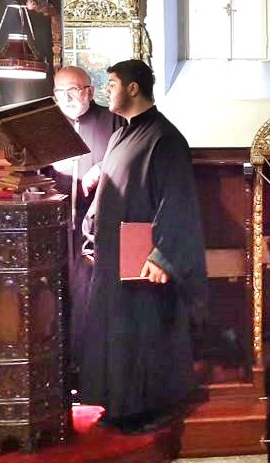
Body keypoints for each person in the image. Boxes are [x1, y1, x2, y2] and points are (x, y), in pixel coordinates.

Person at [77, 59, 208, 433]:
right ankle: (118, 405)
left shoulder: (165, 139)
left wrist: (162, 256)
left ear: (133, 88)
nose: (107, 91)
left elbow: (178, 201)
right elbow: (112, 188)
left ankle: (149, 410)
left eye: (112, 84)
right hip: (113, 254)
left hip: (143, 258)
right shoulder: (121, 135)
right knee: (116, 331)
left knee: (145, 332)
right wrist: (91, 232)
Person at [50, 66, 125, 372]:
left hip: (95, 227)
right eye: (61, 93)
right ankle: (57, 365)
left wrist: (104, 166)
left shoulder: (114, 121)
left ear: (90, 92)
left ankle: (87, 367)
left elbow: (130, 157)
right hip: (54, 225)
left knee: (88, 295)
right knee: (54, 294)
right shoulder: (48, 125)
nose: (67, 99)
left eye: (74, 90)